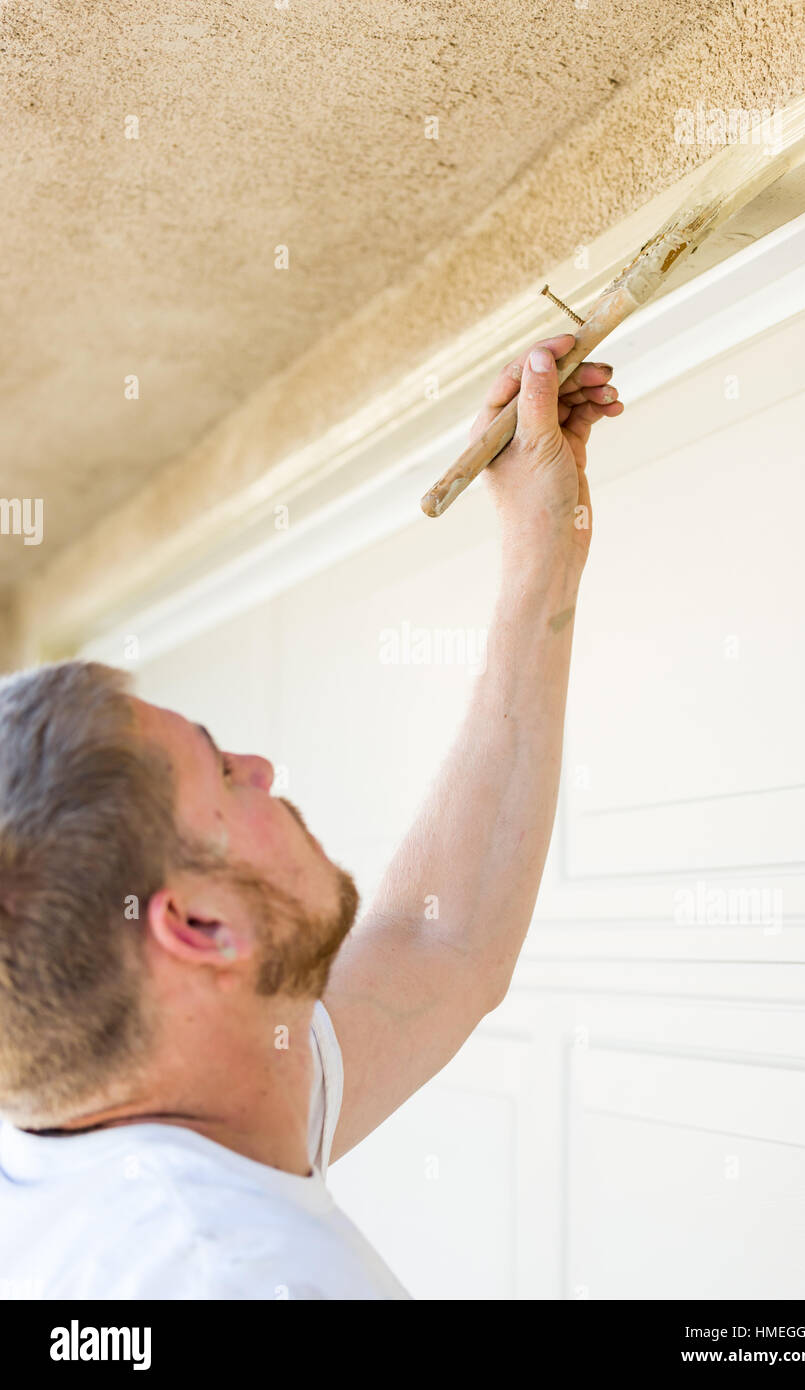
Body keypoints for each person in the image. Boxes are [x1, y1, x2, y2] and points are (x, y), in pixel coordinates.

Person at [0, 335, 622, 1299]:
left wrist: (542, 557)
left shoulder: (129, 1114)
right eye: (221, 771)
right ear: (198, 927)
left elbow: (441, 944)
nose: (261, 766)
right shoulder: (245, 1279)